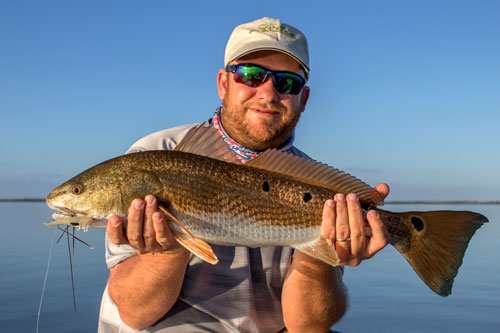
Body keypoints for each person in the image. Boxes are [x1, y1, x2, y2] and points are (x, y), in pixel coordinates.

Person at [98, 17, 390, 333]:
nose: (267, 94)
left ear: (303, 99)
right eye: (250, 76)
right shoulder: (155, 155)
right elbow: (133, 312)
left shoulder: (312, 183)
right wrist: (169, 250)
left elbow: (308, 327)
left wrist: (319, 254)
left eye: (286, 83)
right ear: (224, 83)